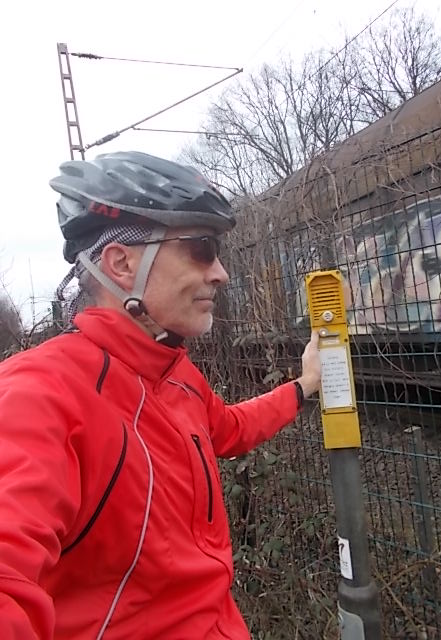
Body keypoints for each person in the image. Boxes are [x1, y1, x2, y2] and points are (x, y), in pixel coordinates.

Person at [0, 151, 322, 639]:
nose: (220, 272)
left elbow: (229, 429)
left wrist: (303, 385)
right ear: (122, 263)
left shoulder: (175, 375)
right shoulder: (39, 392)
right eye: (201, 248)